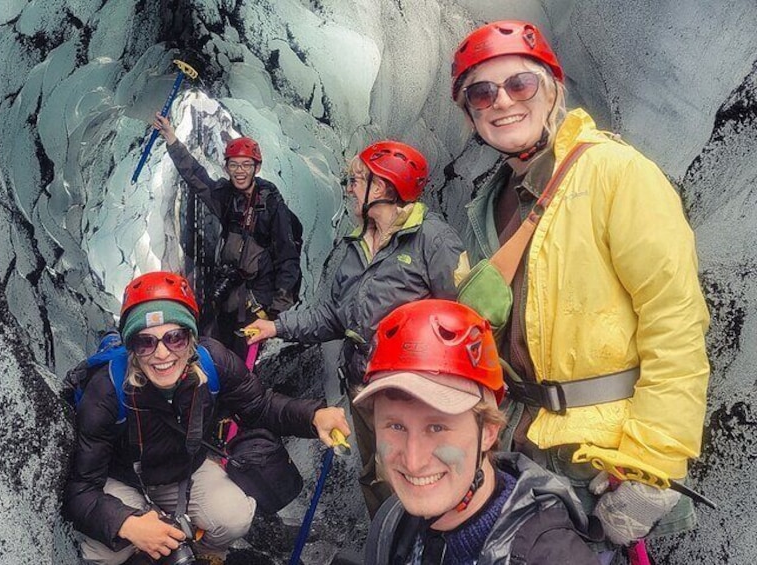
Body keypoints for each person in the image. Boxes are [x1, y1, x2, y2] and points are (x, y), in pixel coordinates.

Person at [450, 20, 711, 559]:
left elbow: (675, 320)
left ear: (551, 89)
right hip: (520, 445)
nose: (502, 102)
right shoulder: (488, 203)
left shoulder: (617, 174)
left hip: (602, 461)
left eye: (518, 84)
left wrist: (652, 465)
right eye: (482, 92)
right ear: (471, 114)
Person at [243, 140, 469, 518]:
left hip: (411, 394)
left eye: (356, 179)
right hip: (362, 383)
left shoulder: (434, 241)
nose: (348, 187)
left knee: (419, 477)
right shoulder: (355, 244)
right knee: (377, 477)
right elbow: (333, 316)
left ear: (380, 188)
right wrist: (276, 327)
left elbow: (462, 319)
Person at [62, 271, 350, 565]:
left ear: (190, 338)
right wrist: (128, 524)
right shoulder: (106, 391)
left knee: (233, 517)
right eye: (145, 342)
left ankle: (202, 553)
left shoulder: (213, 361)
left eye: (175, 337)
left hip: (185, 471)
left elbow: (260, 405)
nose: (162, 354)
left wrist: (313, 416)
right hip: (124, 480)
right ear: (132, 348)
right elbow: (81, 490)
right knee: (107, 555)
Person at [355, 299, 601, 564]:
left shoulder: (552, 556)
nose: (414, 462)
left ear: (489, 431)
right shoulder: (393, 522)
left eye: (437, 427)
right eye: (396, 426)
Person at [153, 115, 302, 358]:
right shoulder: (227, 198)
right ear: (226, 167)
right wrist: (171, 140)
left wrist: (274, 312)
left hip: (258, 301)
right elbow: (197, 178)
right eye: (234, 165)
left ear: (257, 168)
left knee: (243, 364)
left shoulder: (272, 207)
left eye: (246, 165)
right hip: (230, 293)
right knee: (212, 351)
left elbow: (288, 259)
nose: (239, 171)